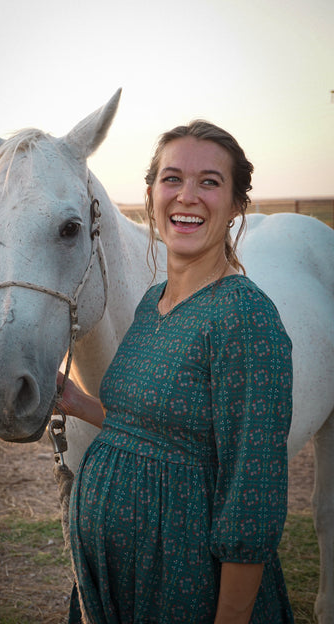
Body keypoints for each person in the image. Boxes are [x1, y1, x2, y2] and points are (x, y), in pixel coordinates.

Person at [58, 120, 294, 623]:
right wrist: (80, 404)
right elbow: (164, 429)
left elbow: (250, 492)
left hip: (186, 586)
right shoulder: (152, 304)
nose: (187, 196)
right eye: (172, 179)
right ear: (150, 196)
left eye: (209, 181)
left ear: (235, 206)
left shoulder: (245, 318)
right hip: (116, 584)